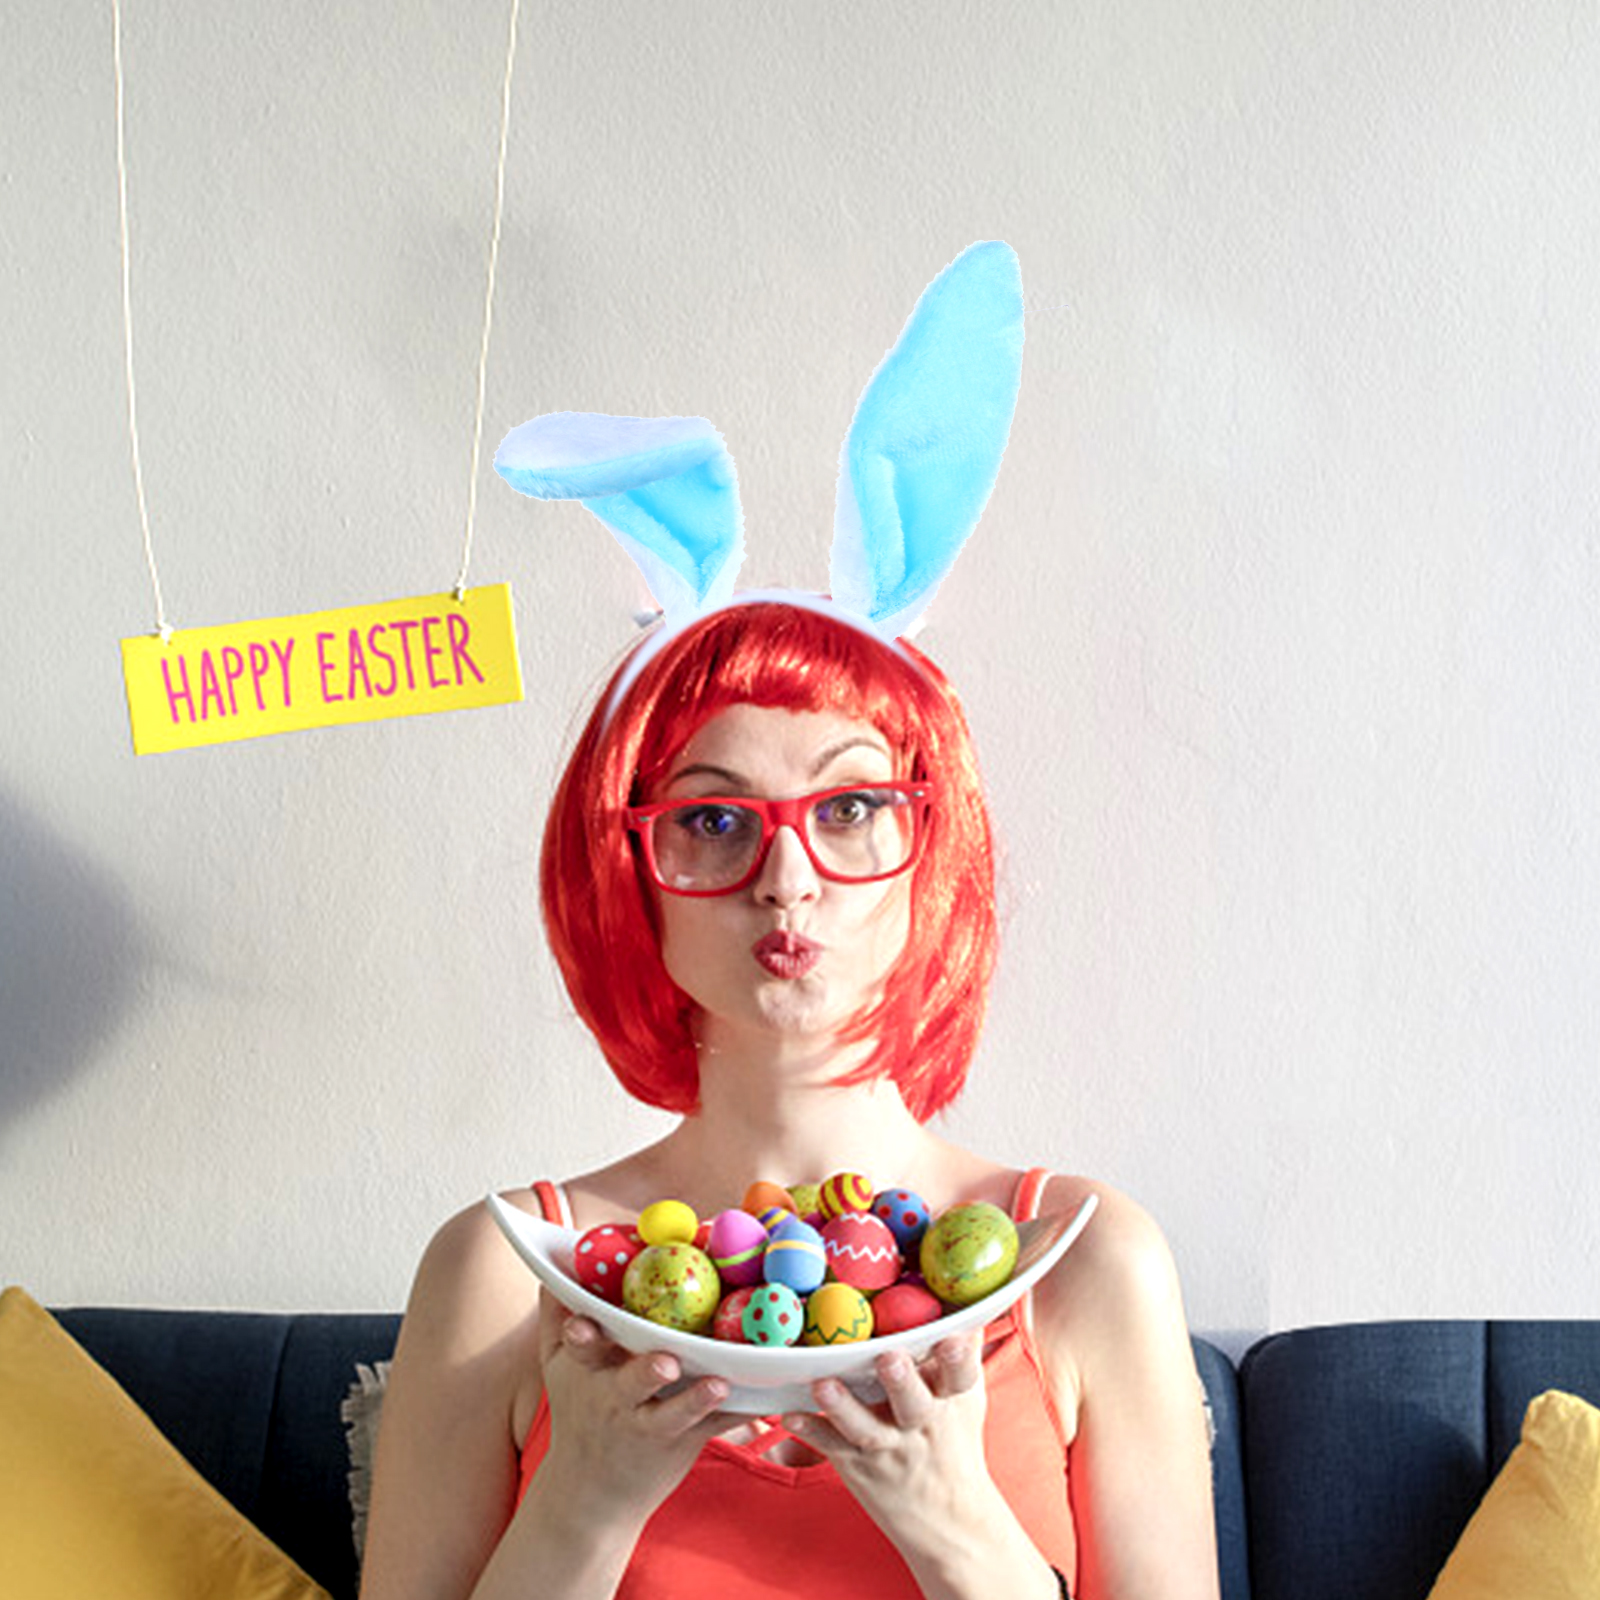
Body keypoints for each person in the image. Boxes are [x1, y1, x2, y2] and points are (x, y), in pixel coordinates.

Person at [359, 244, 1219, 1600]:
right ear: (623, 870)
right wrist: (581, 1508)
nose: (788, 878)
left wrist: (959, 1529)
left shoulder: (1083, 1259)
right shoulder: (509, 1273)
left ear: (933, 849)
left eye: (851, 808)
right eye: (712, 820)